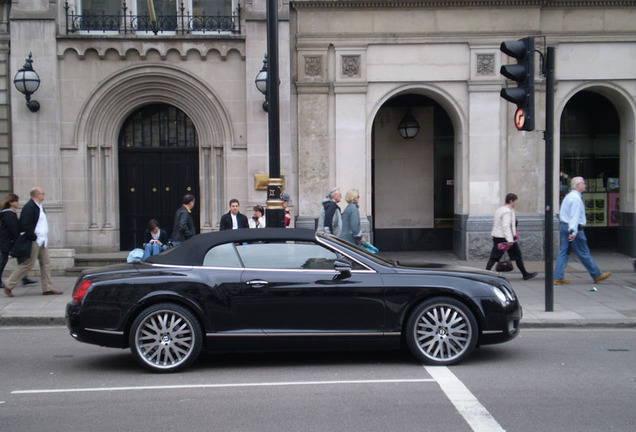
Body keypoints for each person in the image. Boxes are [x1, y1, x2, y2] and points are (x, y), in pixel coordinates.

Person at [554, 176, 611, 285]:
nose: (585, 185)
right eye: (583, 183)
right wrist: (573, 232)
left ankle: (558, 276)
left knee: (564, 252)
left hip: (564, 226)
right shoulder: (576, 198)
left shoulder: (568, 196)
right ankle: (596, 274)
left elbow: (564, 213)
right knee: (583, 252)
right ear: (578, 185)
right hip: (574, 228)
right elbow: (574, 216)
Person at [5, 187, 62, 295]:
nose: (43, 195)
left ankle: (48, 288)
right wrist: (33, 237)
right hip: (35, 240)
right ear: (37, 195)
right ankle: (9, 284)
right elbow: (25, 224)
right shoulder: (29, 207)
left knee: (45, 263)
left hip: (42, 240)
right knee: (28, 264)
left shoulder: (39, 207)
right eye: (42, 193)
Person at [486, 193, 538, 280]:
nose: (515, 204)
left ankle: (486, 273)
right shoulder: (507, 211)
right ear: (511, 201)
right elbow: (506, 226)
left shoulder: (500, 210)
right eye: (515, 202)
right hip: (505, 237)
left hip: (498, 236)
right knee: (517, 255)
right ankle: (525, 274)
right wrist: (510, 240)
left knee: (495, 256)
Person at [1, 194, 20, 297]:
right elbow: (13, 228)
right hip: (7, 241)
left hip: (7, 240)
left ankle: (24, 278)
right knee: (3, 260)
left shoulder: (9, 213)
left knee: (20, 260)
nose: (18, 203)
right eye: (16, 201)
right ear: (11, 202)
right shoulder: (8, 214)